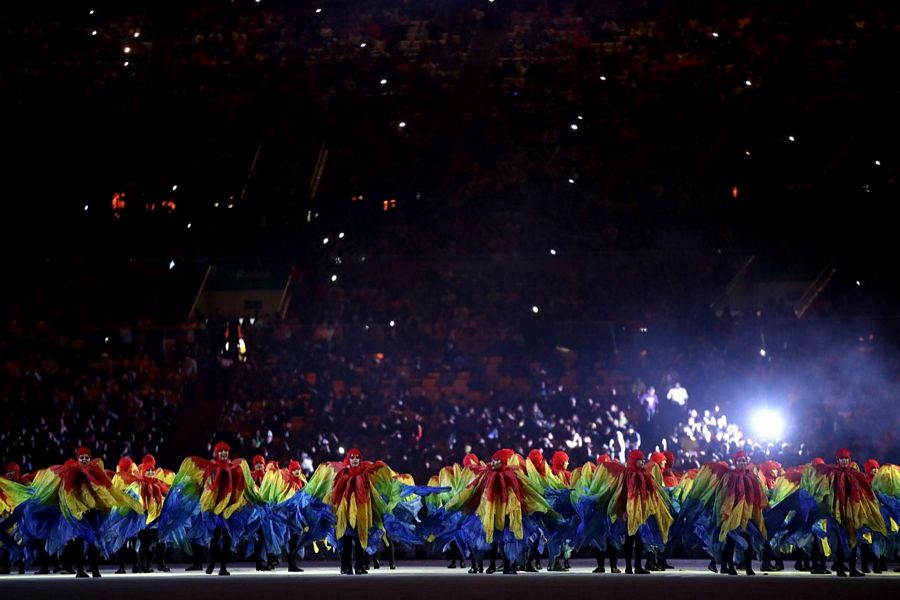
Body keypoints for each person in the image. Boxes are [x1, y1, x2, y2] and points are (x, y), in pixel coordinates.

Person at [801, 448, 887, 577]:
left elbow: (865, 492)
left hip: (853, 511)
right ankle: (840, 568)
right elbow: (824, 491)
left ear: (850, 459)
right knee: (840, 541)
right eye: (842, 459)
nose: (844, 461)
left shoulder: (856, 474)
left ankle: (852, 568)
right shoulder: (832, 474)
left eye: (846, 458)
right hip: (837, 512)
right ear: (838, 460)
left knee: (853, 538)